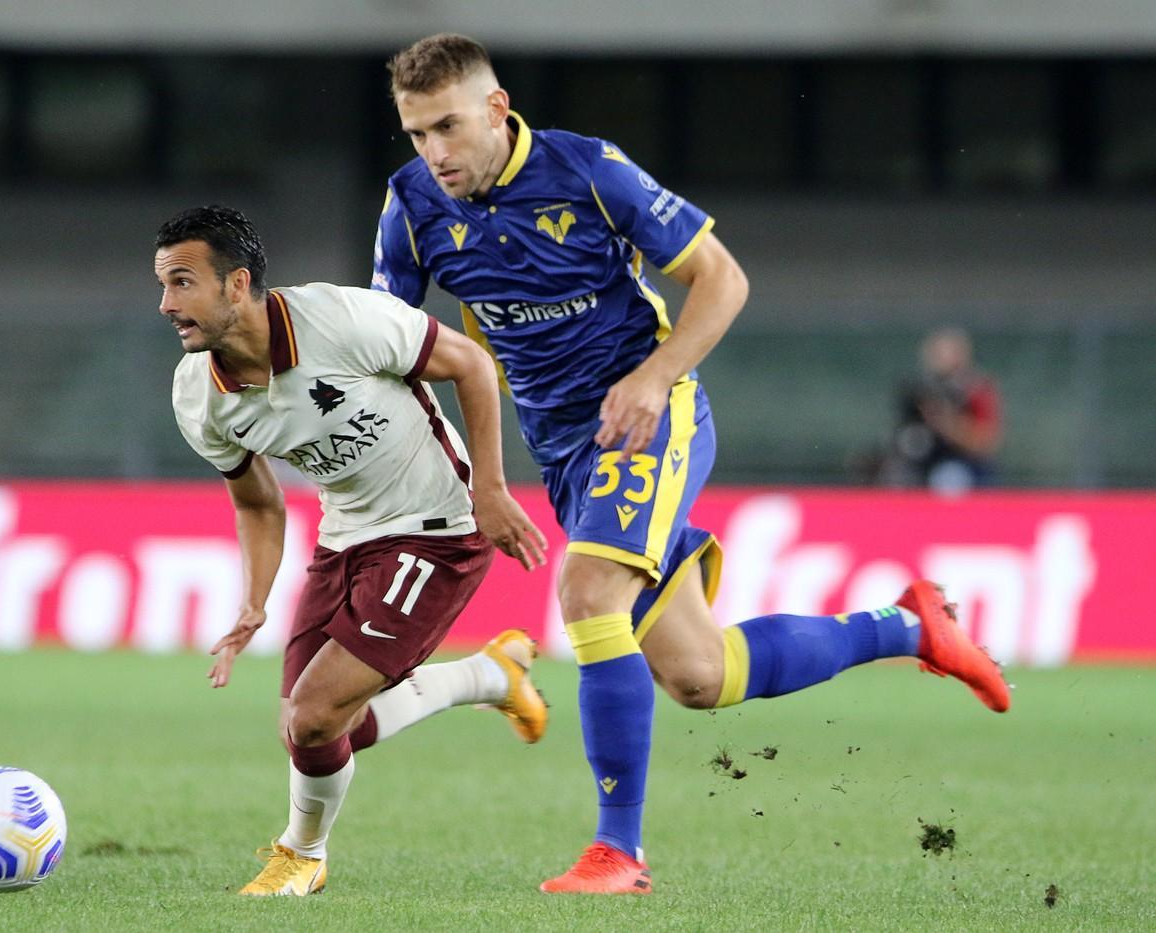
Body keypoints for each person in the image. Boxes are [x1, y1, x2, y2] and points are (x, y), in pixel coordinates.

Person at [372, 34, 1011, 895]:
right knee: (701, 675)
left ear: (496, 108)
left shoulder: (590, 171)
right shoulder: (410, 206)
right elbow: (395, 350)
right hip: (562, 453)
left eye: (446, 126)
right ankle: (912, 628)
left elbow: (721, 278)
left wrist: (652, 377)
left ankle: (618, 852)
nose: (433, 153)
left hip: (651, 417)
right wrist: (467, 476)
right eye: (416, 134)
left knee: (589, 595)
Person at [157, 204, 550, 896]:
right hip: (344, 536)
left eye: (183, 282)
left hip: (439, 527)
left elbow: (471, 366)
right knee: (311, 731)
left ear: (237, 283)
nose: (166, 304)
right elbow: (257, 500)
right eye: (162, 285)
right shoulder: (199, 396)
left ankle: (301, 855)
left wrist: (490, 489)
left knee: (313, 717)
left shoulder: (340, 320)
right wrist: (253, 602)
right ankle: (488, 677)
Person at [880, 327, 1003, 494]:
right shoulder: (918, 389)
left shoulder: (975, 390)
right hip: (924, 460)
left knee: (949, 478)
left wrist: (945, 422)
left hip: (963, 464)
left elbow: (985, 442)